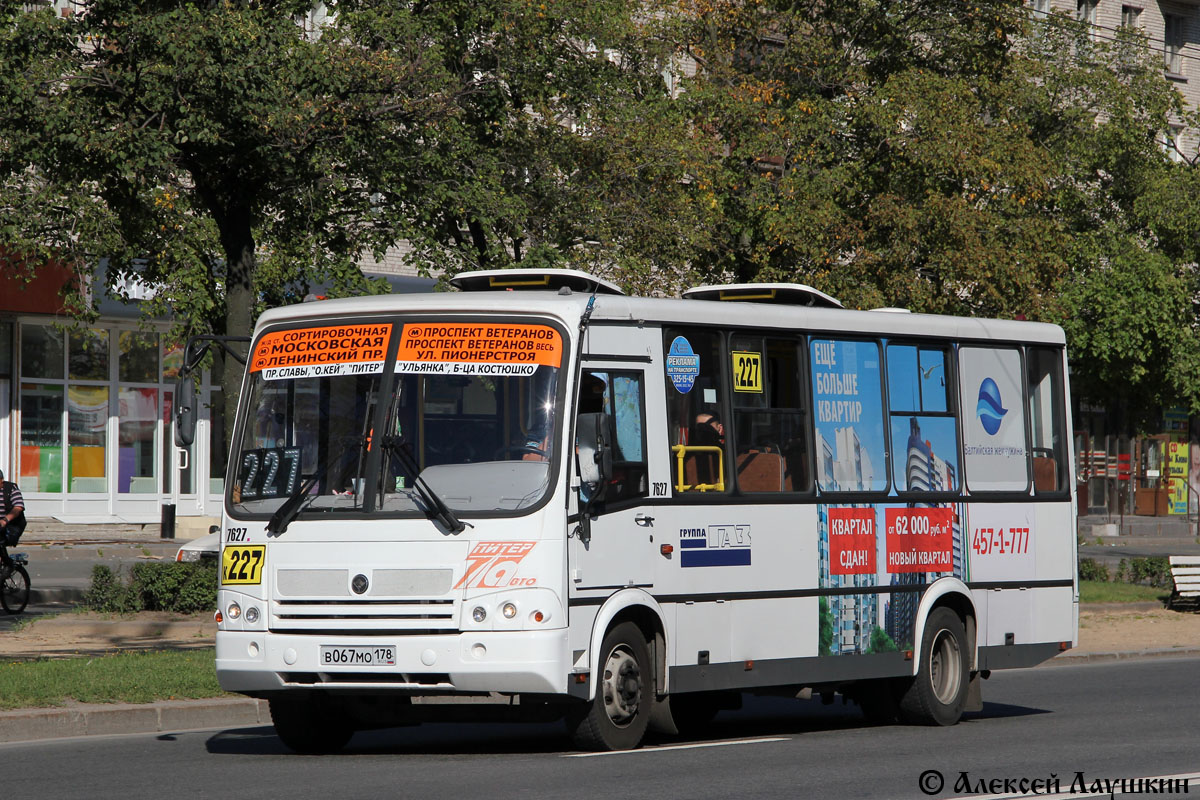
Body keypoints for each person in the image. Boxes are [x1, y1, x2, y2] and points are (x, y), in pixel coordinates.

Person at [0, 469, 26, 562]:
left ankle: (7, 564)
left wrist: (5, 520)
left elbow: (18, 507)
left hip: (13, 525)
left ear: (1, 480)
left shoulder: (11, 488)